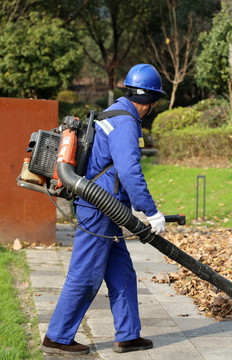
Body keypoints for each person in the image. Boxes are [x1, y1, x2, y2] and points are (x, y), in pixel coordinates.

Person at [42, 64, 167, 355]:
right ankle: (57, 338)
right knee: (85, 275)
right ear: (150, 99)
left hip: (104, 209)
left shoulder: (112, 112)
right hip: (98, 209)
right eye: (155, 100)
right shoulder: (126, 123)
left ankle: (128, 334)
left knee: (122, 272)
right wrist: (151, 212)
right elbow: (129, 171)